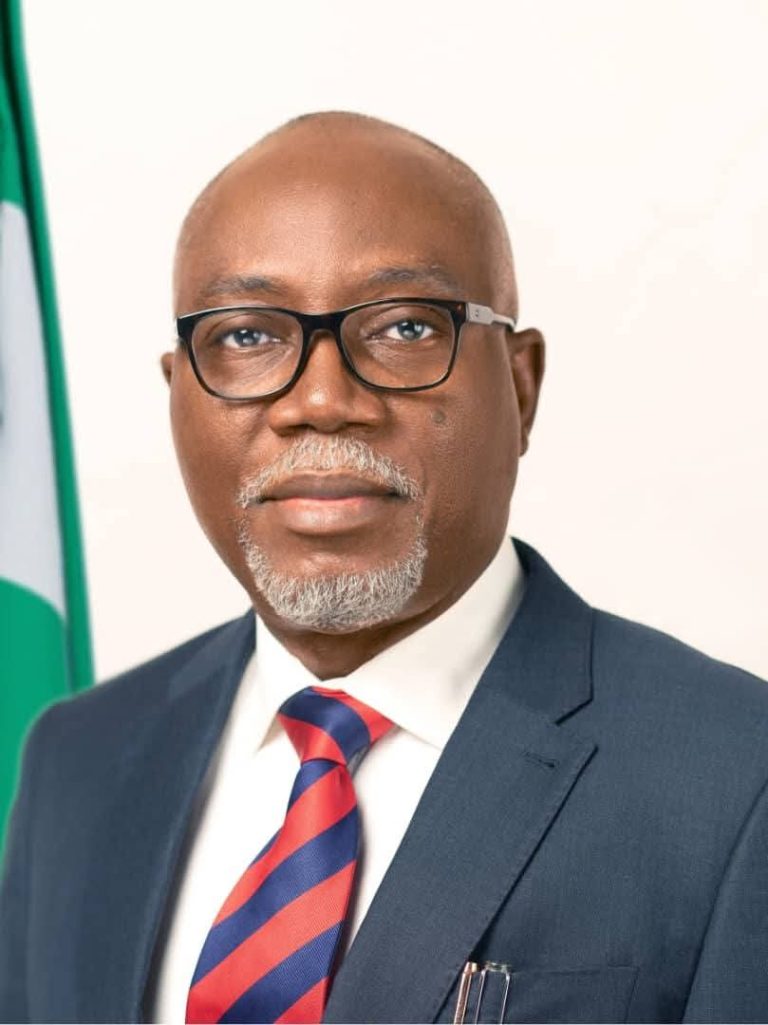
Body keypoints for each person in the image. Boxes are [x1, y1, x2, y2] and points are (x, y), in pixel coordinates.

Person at [2, 111, 768, 1025]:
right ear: (178, 395)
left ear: (521, 385)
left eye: (405, 326)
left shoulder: (735, 780)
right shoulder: (78, 760)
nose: (323, 400)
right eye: (246, 336)